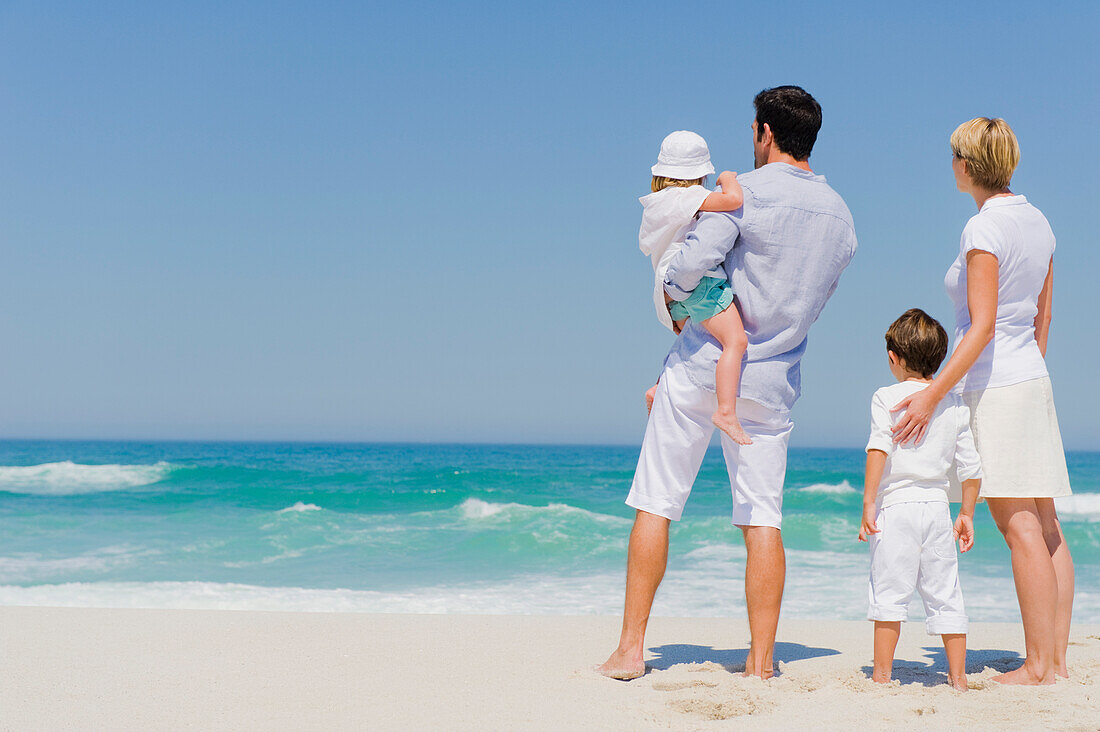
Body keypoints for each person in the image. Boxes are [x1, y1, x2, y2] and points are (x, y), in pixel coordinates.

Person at [599, 86, 857, 681]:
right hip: (774, 380)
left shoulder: (742, 195)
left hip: (700, 367)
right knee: (763, 518)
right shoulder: (842, 217)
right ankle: (761, 664)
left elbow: (690, 267)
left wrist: (671, 297)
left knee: (656, 501)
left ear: (765, 133)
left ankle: (631, 650)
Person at [890, 118, 1073, 685]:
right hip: (1030, 379)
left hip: (997, 387)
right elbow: (1041, 318)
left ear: (966, 166)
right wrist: (1032, 368)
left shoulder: (983, 230)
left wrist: (930, 395)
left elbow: (983, 326)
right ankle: (1056, 663)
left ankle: (1039, 666)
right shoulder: (1038, 221)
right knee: (1044, 521)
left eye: (953, 156)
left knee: (1018, 523)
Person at [858, 308, 982, 691]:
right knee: (947, 595)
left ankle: (882, 676)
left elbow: (879, 448)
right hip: (937, 509)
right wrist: (967, 514)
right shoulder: (953, 402)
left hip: (897, 509)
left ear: (894, 358)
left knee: (889, 596)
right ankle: (958, 679)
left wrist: (868, 502)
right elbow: (971, 468)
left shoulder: (886, 396)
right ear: (939, 359)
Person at [638, 130, 751, 444]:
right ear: (699, 174)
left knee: (694, 342)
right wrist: (728, 178)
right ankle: (726, 412)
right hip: (699, 284)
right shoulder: (685, 197)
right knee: (735, 342)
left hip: (670, 290)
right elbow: (733, 200)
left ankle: (660, 386)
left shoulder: (655, 204)